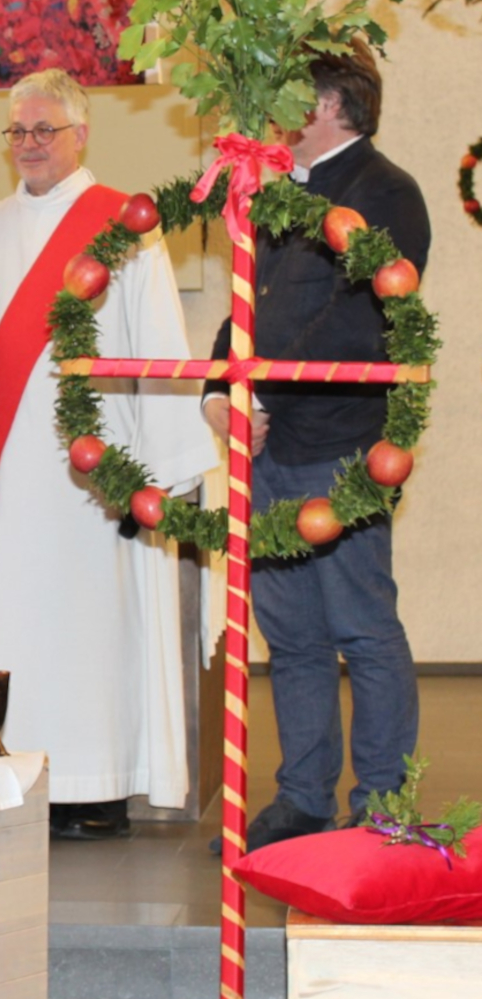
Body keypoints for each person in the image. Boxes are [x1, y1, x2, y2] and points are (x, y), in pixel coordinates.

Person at [0, 69, 215, 839]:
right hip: (9, 468)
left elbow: (159, 345)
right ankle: (13, 773)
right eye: (18, 132)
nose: (30, 145)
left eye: (45, 130)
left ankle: (98, 785)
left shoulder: (124, 223)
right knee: (20, 626)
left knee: (94, 626)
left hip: (97, 470)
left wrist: (155, 471)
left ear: (81, 134)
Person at [204, 43, 430, 850]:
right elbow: (243, 309)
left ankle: (380, 803)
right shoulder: (272, 194)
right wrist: (220, 394)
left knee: (362, 627)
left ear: (329, 104)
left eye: (291, 93)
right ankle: (302, 798)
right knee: (292, 635)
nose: (275, 109)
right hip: (267, 449)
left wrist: (262, 389)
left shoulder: (387, 192)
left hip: (345, 445)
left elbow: (354, 320)